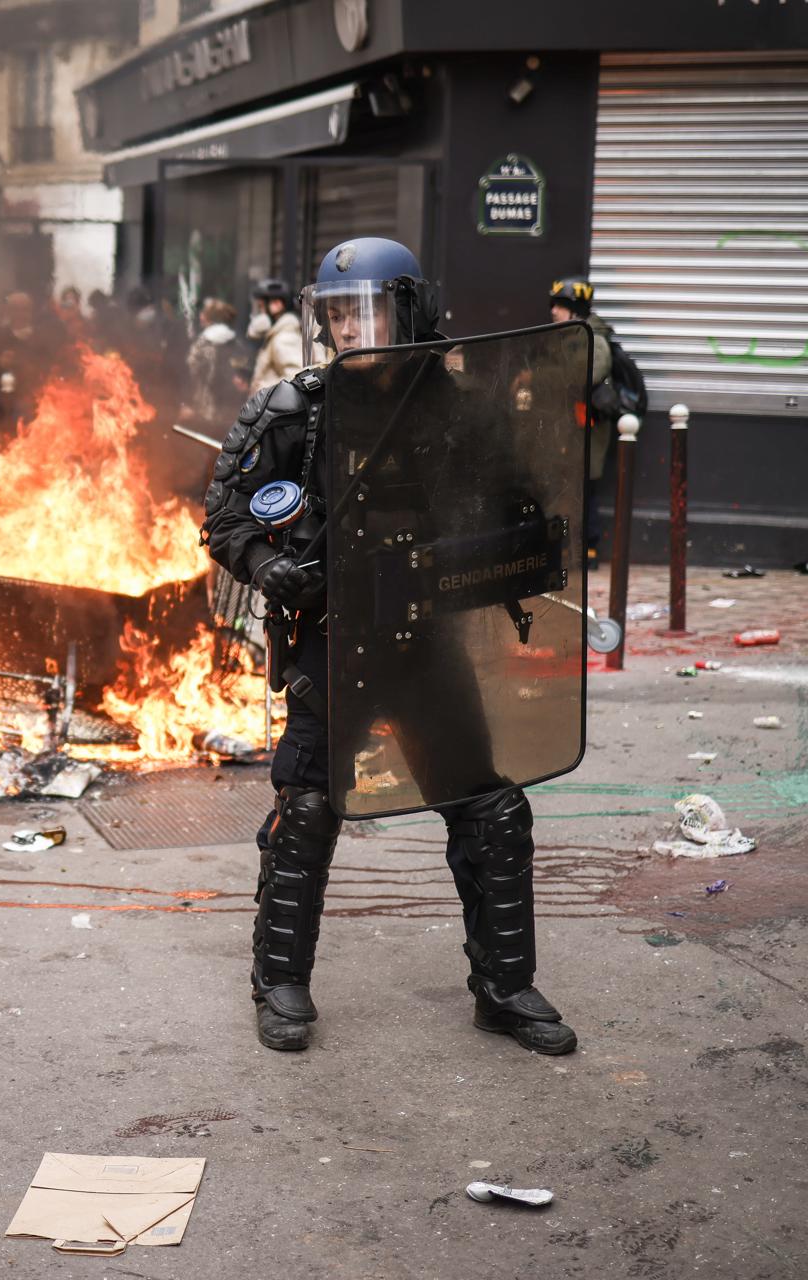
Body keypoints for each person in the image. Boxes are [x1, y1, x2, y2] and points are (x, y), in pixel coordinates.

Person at [201, 238, 579, 1058]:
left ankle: (504, 988)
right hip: (332, 644)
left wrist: (510, 548)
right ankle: (280, 984)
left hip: (427, 642)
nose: (348, 327)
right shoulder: (293, 412)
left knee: (490, 809)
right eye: (337, 312)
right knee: (306, 812)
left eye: (365, 310)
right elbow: (224, 518)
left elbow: (519, 507)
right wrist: (269, 565)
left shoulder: (460, 408)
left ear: (409, 312)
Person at [548, 276, 616, 562]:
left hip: (585, 429)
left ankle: (588, 546)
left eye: (561, 306)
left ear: (576, 310)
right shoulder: (565, 338)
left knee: (585, 488)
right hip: (565, 429)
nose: (553, 311)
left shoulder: (593, 341)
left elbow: (582, 376)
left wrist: (541, 378)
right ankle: (565, 543)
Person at [184, 297, 241, 427]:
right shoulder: (235, 341)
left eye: (203, 313)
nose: (200, 316)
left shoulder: (203, 343)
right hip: (230, 408)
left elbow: (190, 373)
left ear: (210, 318)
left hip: (205, 407)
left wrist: (187, 402)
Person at [248, 277, 304, 393]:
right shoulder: (278, 334)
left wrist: (261, 388)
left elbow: (296, 377)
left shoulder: (284, 337)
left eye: (261, 307)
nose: (259, 312)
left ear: (277, 304)